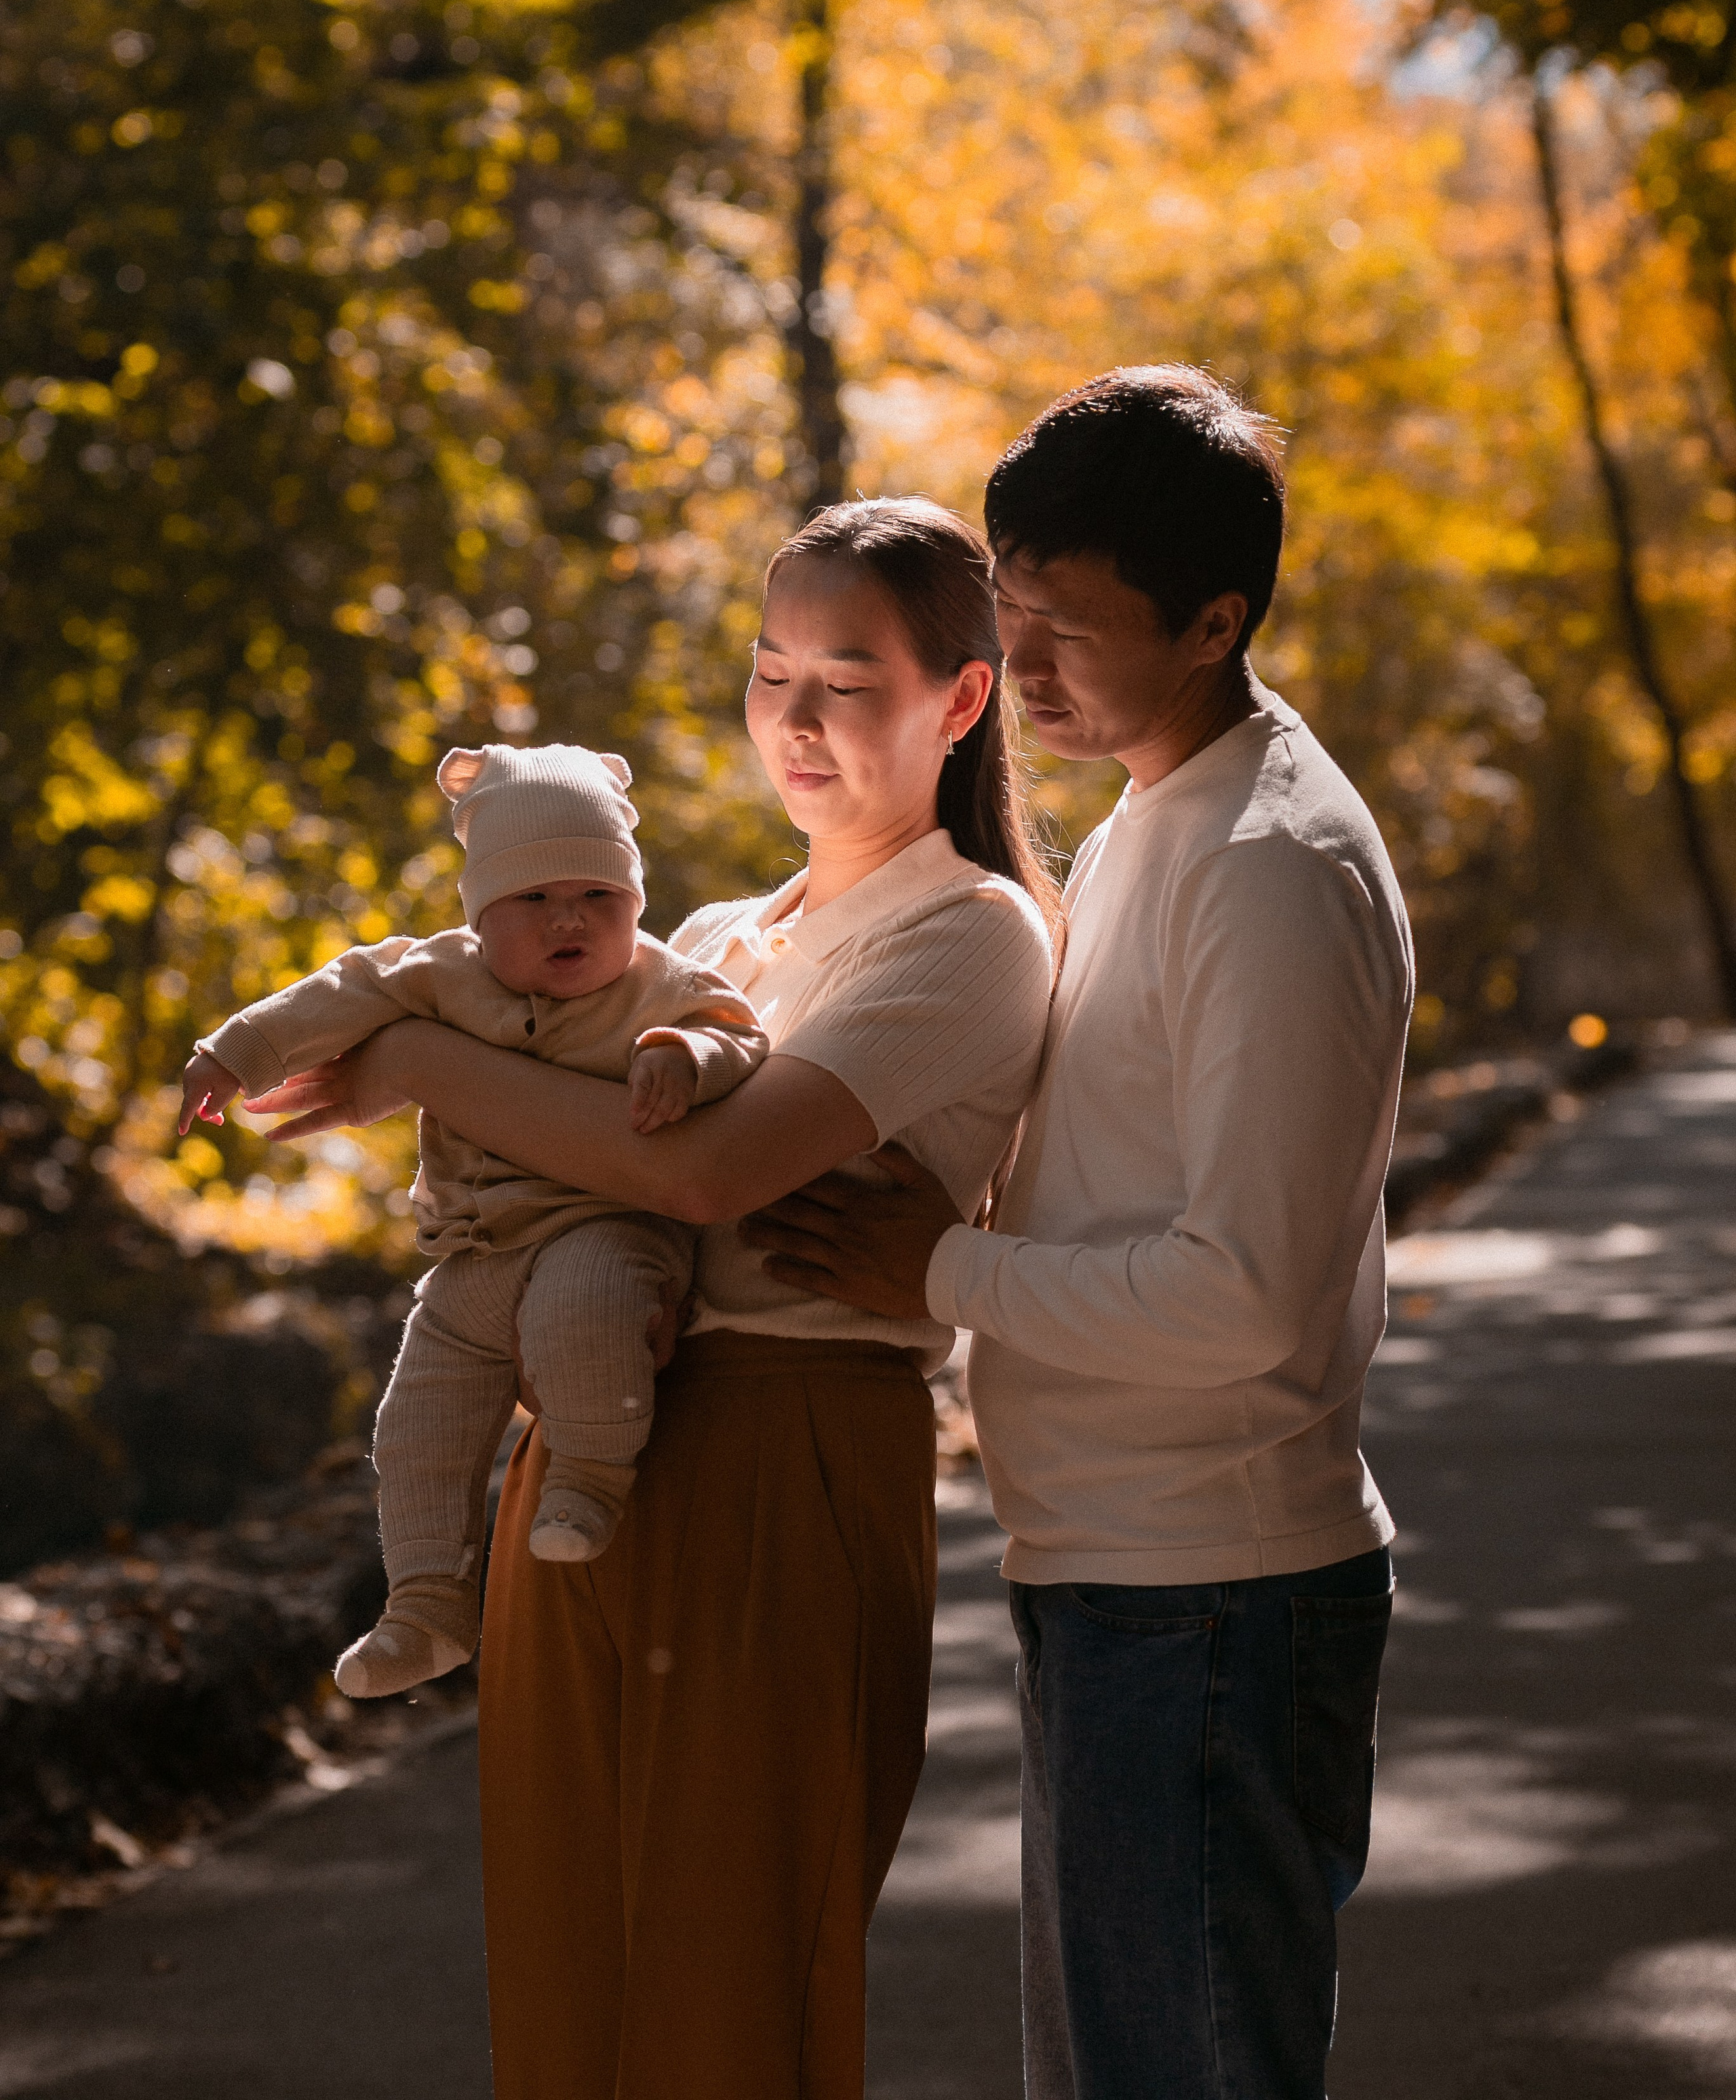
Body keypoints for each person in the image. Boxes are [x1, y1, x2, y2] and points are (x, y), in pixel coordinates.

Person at [247, 498, 1057, 2100]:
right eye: (769, 674)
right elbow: (648, 1165)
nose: (795, 720)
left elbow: (696, 1179)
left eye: (845, 677)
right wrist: (585, 1131)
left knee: (727, 1991)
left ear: (958, 700)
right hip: (593, 1452)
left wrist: (414, 1059)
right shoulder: (701, 935)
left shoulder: (973, 934)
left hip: (789, 1456)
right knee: (567, 1974)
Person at [745, 368, 1415, 2100]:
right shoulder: (1151, 813)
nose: (1020, 671)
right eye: (1010, 611)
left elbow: (1249, 1300)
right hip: (1123, 1579)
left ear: (1213, 620)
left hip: (1204, 1596)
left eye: (1067, 630)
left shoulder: (1267, 863)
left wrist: (937, 1276)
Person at [177, 741, 767, 1697]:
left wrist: (687, 1057)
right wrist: (232, 1054)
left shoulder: (659, 987)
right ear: (480, 911)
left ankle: (588, 1477)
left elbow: (742, 1033)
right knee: (418, 1422)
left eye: (600, 897)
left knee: (581, 1319)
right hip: (474, 1252)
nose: (570, 917)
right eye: (535, 899)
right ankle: (424, 1606)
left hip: (605, 1225)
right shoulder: (441, 974)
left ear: (635, 903)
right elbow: (338, 994)